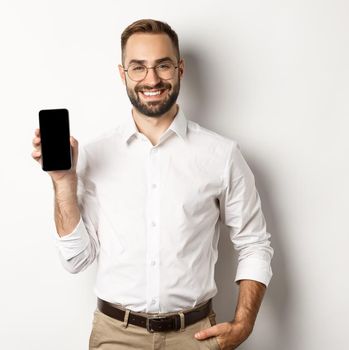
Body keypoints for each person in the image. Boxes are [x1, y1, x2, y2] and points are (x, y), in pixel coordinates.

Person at [30, 19, 273, 350]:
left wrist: (244, 324)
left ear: (180, 69)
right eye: (138, 68)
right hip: (115, 336)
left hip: (196, 336)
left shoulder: (222, 155)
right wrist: (62, 182)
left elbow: (254, 243)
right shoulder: (94, 155)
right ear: (123, 74)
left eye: (163, 66)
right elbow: (76, 260)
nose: (152, 79)